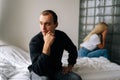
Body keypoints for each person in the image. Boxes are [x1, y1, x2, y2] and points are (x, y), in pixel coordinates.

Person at [28, 10, 82, 80]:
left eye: (47, 24)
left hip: (56, 70)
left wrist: (70, 65)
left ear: (55, 24)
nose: (43, 28)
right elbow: (39, 70)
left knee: (76, 78)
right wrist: (47, 45)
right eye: (41, 23)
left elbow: (73, 49)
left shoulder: (61, 36)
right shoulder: (35, 41)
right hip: (39, 71)